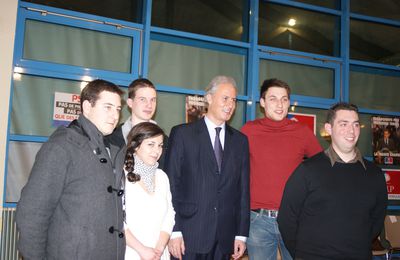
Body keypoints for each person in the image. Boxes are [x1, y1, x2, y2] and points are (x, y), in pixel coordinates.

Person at [16, 79, 126, 260]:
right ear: (87, 107)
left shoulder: (112, 148)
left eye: (118, 109)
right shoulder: (62, 146)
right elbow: (32, 213)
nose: (115, 116)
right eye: (108, 107)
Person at [277, 102, 388, 260]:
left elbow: (377, 219)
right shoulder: (308, 170)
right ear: (329, 129)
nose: (351, 131)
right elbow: (286, 218)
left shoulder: (374, 174)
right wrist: (301, 254)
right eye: (343, 124)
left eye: (355, 125)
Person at [165, 75, 250, 260]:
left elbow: (243, 191)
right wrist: (174, 231)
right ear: (209, 98)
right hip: (189, 234)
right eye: (225, 98)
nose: (230, 105)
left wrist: (241, 234)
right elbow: (170, 186)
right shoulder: (182, 134)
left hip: (225, 237)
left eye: (234, 100)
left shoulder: (240, 141)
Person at [241, 78, 322, 260]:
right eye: (273, 98)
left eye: (284, 99)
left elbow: (321, 169)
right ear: (262, 102)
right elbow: (235, 171)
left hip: (296, 218)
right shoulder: (248, 131)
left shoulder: (302, 132)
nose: (279, 104)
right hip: (257, 220)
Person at [123, 122, 175, 260]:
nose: (156, 151)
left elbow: (169, 215)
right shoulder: (120, 176)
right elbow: (117, 220)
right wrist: (143, 250)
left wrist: (159, 248)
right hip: (131, 253)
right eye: (151, 144)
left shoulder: (162, 177)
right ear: (135, 146)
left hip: (159, 254)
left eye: (160, 145)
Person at [106, 78, 168, 169]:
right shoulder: (111, 138)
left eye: (153, 100)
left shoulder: (166, 142)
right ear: (130, 103)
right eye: (143, 99)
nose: (149, 105)